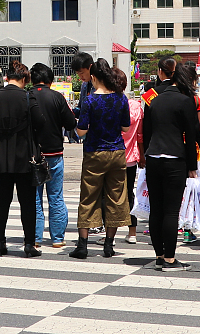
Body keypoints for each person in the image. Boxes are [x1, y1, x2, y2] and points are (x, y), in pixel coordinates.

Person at [140, 56, 196, 270]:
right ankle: (171, 259)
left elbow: (147, 131)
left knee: (156, 209)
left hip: (154, 157)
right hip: (175, 159)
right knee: (171, 211)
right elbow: (191, 136)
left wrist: (145, 155)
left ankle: (159, 255)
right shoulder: (185, 100)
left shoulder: (152, 99)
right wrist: (192, 165)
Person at [72, 58, 131, 260]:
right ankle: (108, 244)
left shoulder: (89, 100)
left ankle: (83, 245)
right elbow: (126, 127)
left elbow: (81, 131)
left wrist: (74, 125)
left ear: (94, 77)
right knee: (115, 197)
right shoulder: (121, 98)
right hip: (116, 152)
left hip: (94, 153)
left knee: (89, 197)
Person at [0, 62, 42, 258]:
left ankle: (0, 242)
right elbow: (40, 122)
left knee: (1, 201)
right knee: (27, 202)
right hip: (24, 158)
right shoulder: (27, 97)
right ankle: (28, 244)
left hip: (0, 158)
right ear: (24, 79)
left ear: (7, 77)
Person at [29, 63, 77, 249]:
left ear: (32, 79)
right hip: (54, 153)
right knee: (56, 196)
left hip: (33, 155)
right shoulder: (57, 97)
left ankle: (35, 237)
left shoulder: (28, 96)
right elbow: (71, 122)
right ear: (50, 79)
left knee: (35, 197)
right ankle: (57, 238)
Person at [117, 68, 143, 246]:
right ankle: (132, 231)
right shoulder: (135, 106)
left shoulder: (110, 104)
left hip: (112, 155)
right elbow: (139, 135)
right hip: (131, 156)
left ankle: (109, 231)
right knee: (129, 195)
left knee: (110, 194)